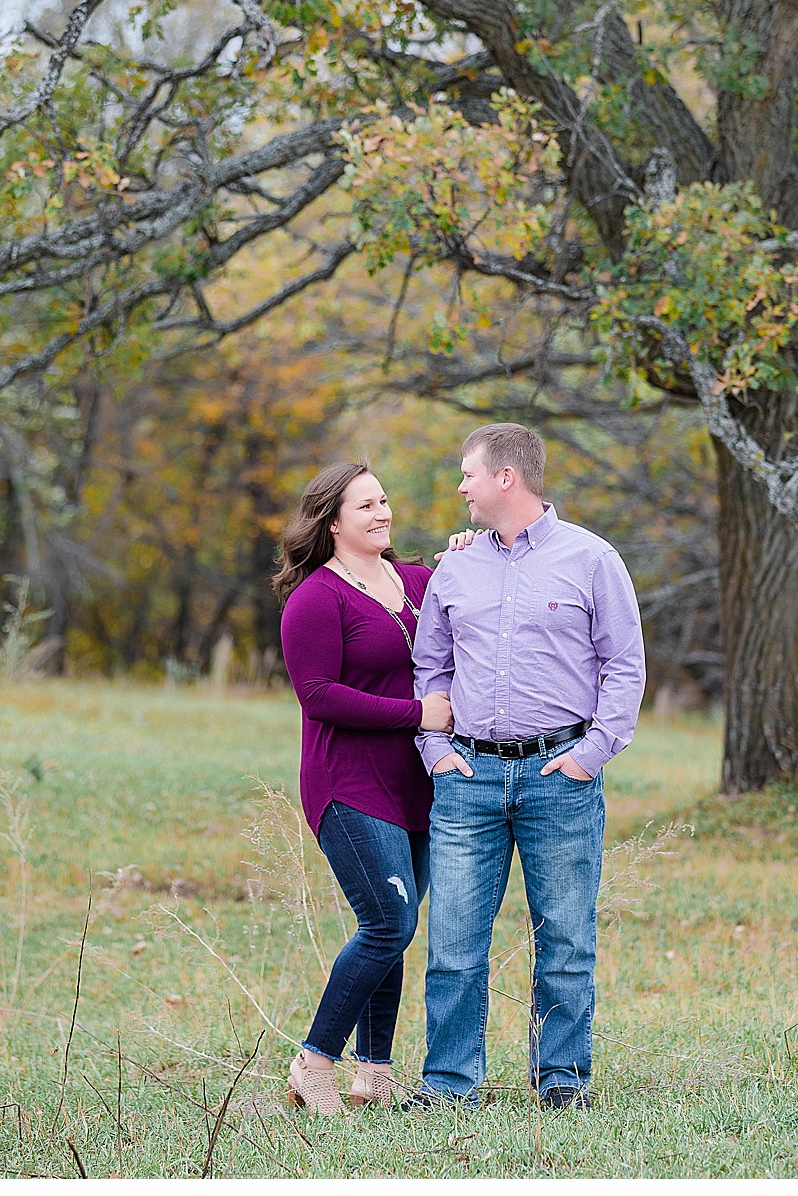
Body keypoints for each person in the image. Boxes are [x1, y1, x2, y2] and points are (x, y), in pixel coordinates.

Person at [411, 422, 646, 1110]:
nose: (461, 488)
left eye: (468, 475)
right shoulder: (455, 566)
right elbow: (432, 665)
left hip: (559, 777)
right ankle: (450, 1087)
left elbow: (625, 664)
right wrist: (436, 751)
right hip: (467, 779)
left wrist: (592, 755)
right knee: (453, 945)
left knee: (566, 942)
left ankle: (563, 1083)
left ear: (505, 478)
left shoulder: (592, 560)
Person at [275, 461, 454, 1115]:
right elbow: (318, 697)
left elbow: (469, 606)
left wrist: (468, 552)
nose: (382, 514)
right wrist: (418, 715)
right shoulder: (316, 598)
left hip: (417, 786)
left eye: (384, 501)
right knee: (389, 920)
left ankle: (374, 1075)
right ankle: (314, 1061)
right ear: (331, 522)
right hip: (347, 785)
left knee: (394, 926)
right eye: (365, 507)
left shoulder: (416, 581)